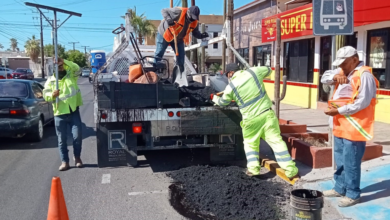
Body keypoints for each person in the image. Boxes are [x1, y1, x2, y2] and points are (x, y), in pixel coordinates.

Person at [211, 63, 299, 179]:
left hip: (250, 120)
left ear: (231, 73)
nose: (228, 77)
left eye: (228, 74)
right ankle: (291, 170)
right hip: (267, 115)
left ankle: (253, 170)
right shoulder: (253, 72)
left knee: (250, 144)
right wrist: (252, 70)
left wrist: (214, 98)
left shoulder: (231, 87)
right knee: (276, 142)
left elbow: (223, 103)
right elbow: (268, 70)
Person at [321, 46, 379, 207]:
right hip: (341, 124)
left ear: (354, 60)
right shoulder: (345, 72)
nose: (342, 67)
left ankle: (353, 194)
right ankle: (340, 187)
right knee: (340, 159)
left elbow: (363, 102)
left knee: (351, 162)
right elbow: (324, 78)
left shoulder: (364, 75)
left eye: (344, 64)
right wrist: (338, 74)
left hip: (355, 126)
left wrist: (338, 110)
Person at [43, 58, 84, 171]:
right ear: (54, 69)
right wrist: (52, 94)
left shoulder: (71, 76)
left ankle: (77, 158)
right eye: (58, 67)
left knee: (77, 136)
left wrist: (64, 61)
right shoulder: (51, 81)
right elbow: (45, 95)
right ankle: (65, 161)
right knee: (62, 140)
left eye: (61, 66)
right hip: (59, 113)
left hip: (73, 111)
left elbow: (77, 68)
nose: (60, 68)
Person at [155, 6, 209, 72]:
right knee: (159, 52)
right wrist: (169, 19)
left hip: (178, 38)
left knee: (181, 56)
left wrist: (201, 36)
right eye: (192, 17)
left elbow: (195, 32)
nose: (192, 19)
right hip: (165, 34)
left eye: (194, 18)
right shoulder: (178, 12)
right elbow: (164, 10)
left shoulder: (194, 22)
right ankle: (155, 72)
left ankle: (180, 74)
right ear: (188, 13)